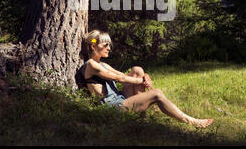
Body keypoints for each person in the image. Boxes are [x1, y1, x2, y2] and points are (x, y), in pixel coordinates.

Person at [80, 30, 214, 129]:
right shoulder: (91, 65)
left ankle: (140, 119)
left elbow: (124, 75)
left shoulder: (102, 64)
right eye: (105, 45)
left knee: (137, 70)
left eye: (109, 45)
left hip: (119, 99)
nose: (109, 48)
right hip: (111, 108)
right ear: (93, 46)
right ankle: (192, 121)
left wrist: (144, 77)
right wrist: (140, 82)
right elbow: (118, 78)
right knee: (157, 93)